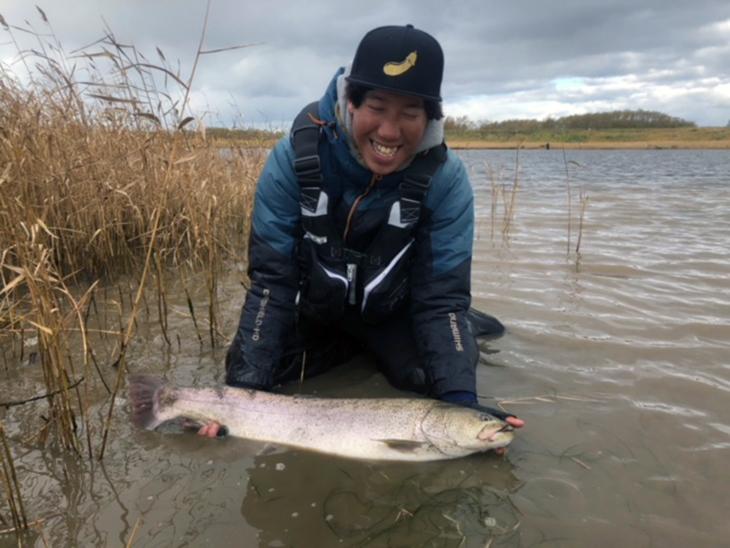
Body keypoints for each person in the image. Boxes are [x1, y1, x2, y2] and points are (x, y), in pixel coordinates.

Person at [199, 24, 524, 442]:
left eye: (410, 114)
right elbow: (272, 286)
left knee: (433, 382)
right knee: (256, 376)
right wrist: (240, 399)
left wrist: (463, 406)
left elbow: (441, 300)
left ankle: (458, 330)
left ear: (430, 118)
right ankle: (352, 351)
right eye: (377, 106)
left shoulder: (447, 180)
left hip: (394, 314)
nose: (389, 132)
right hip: (317, 314)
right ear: (350, 101)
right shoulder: (291, 160)